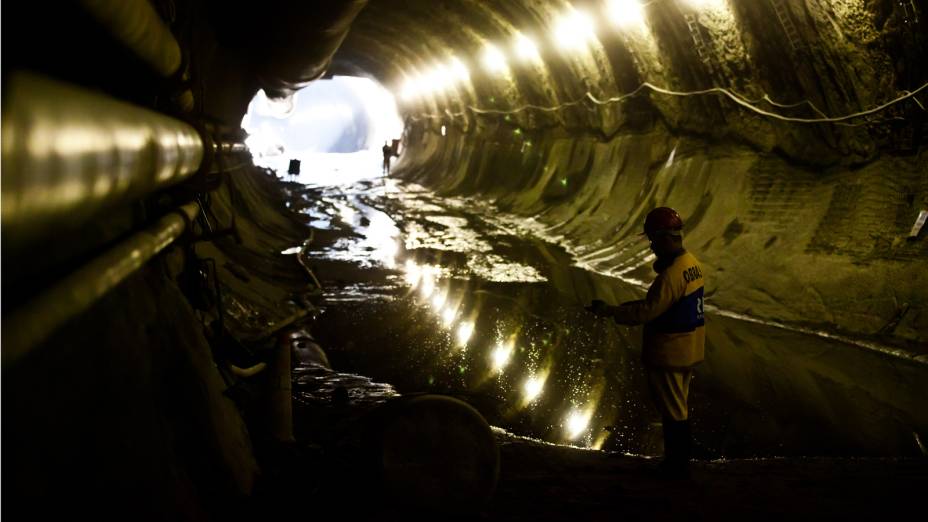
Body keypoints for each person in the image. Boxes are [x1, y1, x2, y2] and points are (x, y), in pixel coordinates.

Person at [588, 207, 705, 479]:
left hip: (670, 352)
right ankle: (680, 462)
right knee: (680, 405)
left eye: (653, 240)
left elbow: (647, 311)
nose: (652, 247)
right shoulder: (692, 264)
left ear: (665, 237)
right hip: (689, 347)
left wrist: (611, 311)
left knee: (673, 411)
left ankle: (677, 466)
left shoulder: (671, 276)